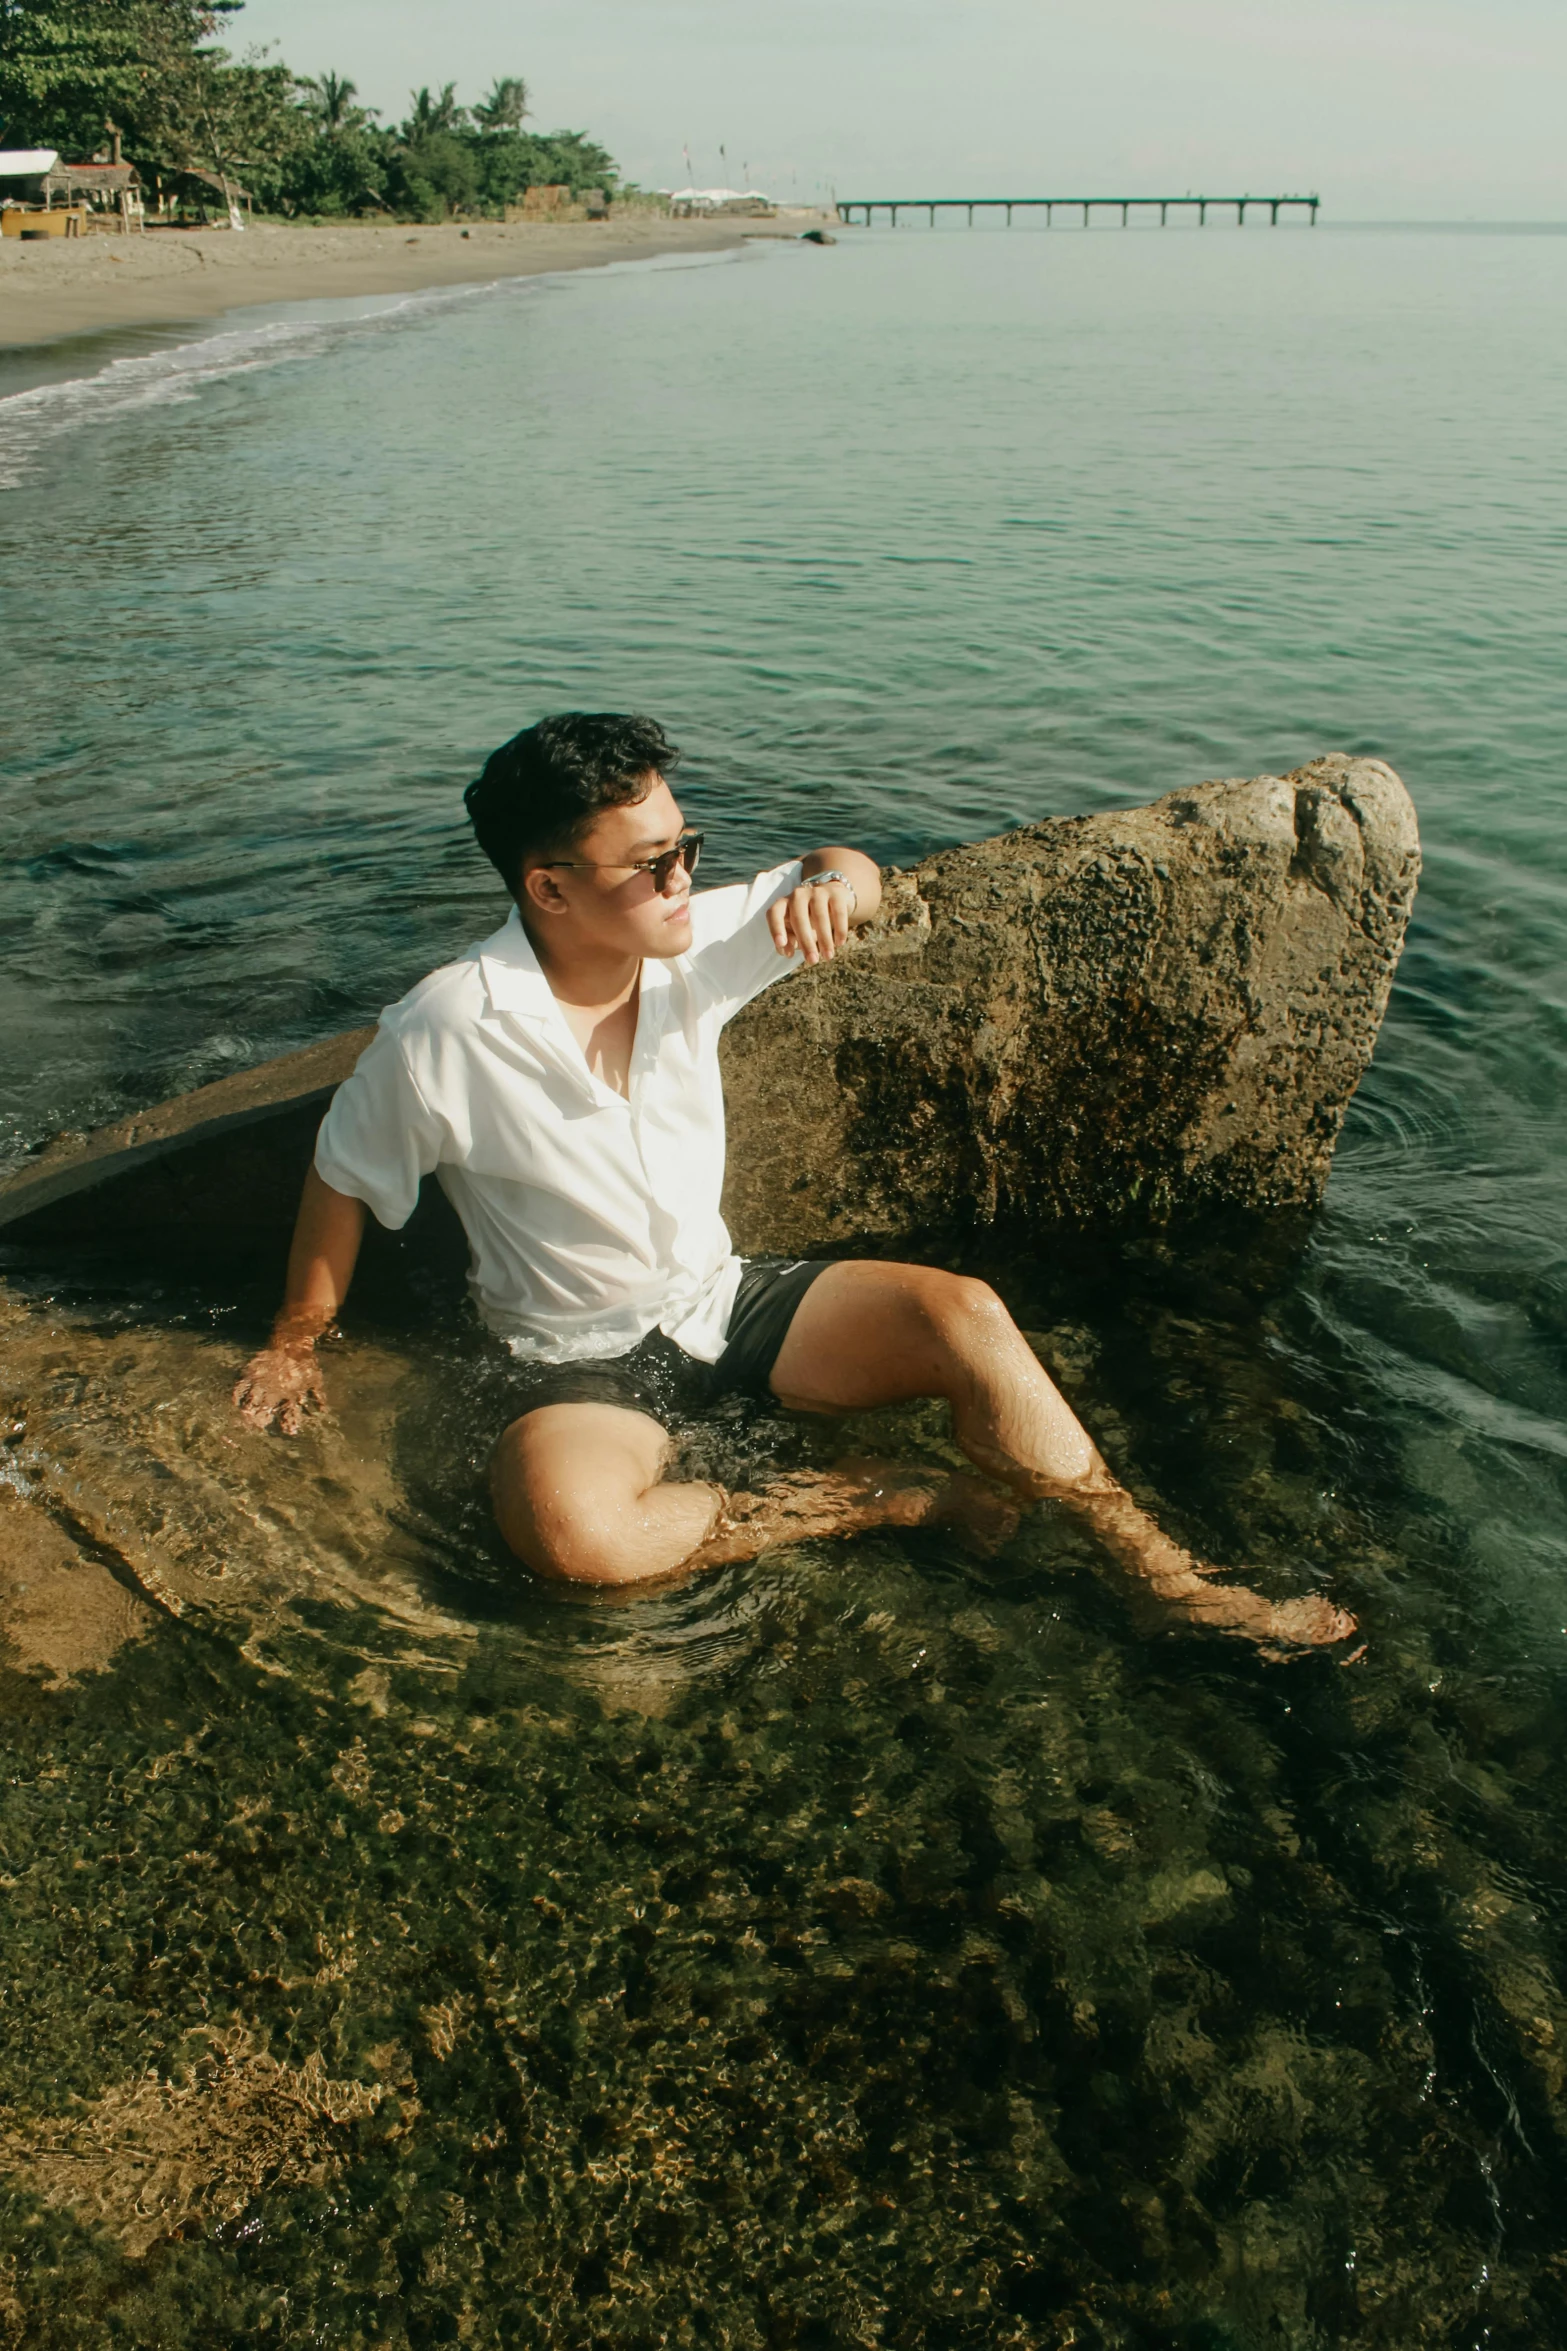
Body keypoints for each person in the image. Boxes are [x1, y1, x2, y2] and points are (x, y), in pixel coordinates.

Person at [234, 713, 1355, 1655]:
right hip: (577, 1364)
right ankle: (866, 1497)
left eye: (689, 845)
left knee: (963, 1311)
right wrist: (296, 1335)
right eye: (655, 863)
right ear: (548, 886)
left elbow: (847, 870)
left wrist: (832, 881)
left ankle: (1167, 1577)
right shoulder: (447, 1029)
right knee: (577, 1543)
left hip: (730, 1300)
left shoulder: (692, 939)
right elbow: (341, 1175)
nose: (687, 878)